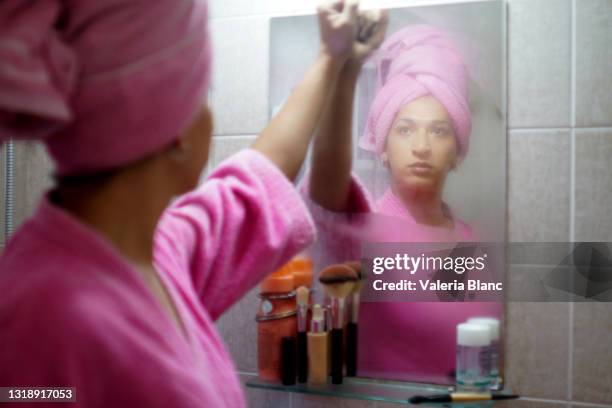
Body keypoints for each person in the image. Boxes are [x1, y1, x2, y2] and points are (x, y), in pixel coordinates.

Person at [0, 1, 382, 406]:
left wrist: (332, 58)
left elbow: (259, 176)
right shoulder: (46, 314)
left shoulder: (160, 253)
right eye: (204, 97)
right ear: (178, 135)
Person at [306, 25, 500, 383]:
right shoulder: (360, 228)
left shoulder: (473, 242)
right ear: (382, 146)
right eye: (405, 129)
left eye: (439, 131)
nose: (422, 147)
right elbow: (325, 188)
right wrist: (344, 65)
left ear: (457, 151)